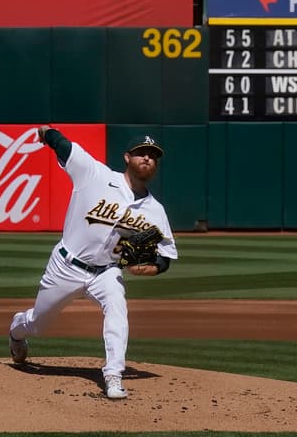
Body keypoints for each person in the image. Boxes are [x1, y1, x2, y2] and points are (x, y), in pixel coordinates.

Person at [9, 130, 178, 401]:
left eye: (154, 156)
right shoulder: (96, 175)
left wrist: (150, 268)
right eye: (141, 153)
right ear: (127, 157)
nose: (148, 157)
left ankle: (113, 375)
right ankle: (17, 331)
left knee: (117, 309)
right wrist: (47, 133)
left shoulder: (154, 210)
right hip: (67, 265)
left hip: (107, 271)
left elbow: (164, 258)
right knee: (38, 323)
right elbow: (64, 147)